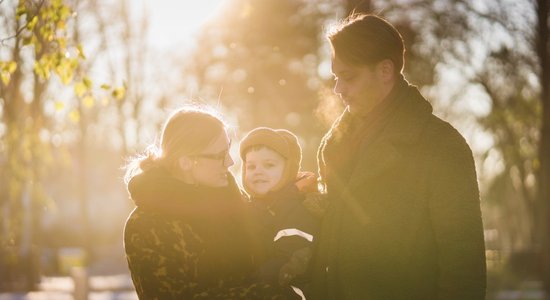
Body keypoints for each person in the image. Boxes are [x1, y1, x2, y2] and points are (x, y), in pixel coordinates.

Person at [308, 13, 487, 300]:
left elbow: (464, 269)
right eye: (336, 77)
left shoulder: (442, 146)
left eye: (348, 77)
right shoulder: (334, 145)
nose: (338, 89)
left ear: (385, 71)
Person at [123, 107, 286, 299]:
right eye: (220, 156)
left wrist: (300, 197)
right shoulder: (146, 225)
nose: (230, 161)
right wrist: (269, 293)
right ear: (186, 162)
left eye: (229, 149)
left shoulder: (230, 200)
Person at [239, 127, 321, 298]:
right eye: (251, 166)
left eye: (269, 165)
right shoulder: (248, 207)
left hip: (288, 291)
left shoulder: (297, 210)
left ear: (288, 170)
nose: (258, 171)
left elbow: (289, 258)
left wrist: (248, 283)